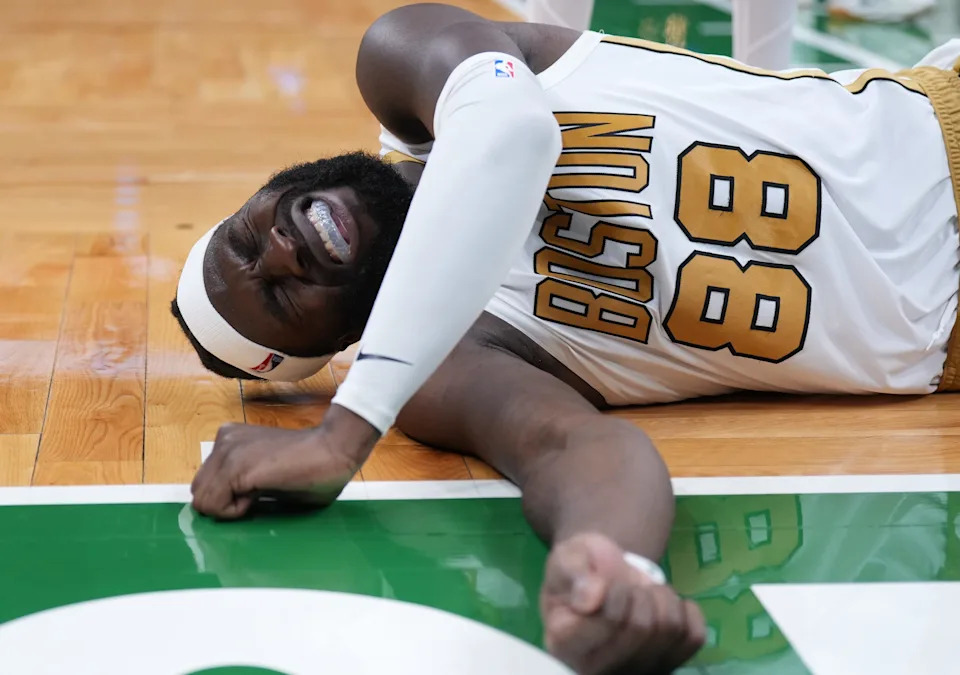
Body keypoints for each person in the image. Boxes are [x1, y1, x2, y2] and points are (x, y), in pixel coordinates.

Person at [173, 3, 960, 672]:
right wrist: (611, 561)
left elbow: (511, 130)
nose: (280, 250)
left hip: (937, 129)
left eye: (246, 239)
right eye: (280, 296)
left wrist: (345, 432)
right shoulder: (448, 366)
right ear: (343, 334)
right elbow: (571, 447)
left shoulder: (403, 62)